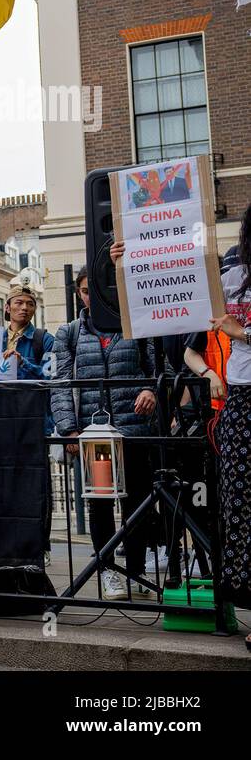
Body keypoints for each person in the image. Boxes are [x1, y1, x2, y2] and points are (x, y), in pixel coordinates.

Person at [51, 267, 162, 601]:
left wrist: (151, 390)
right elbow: (59, 383)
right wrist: (69, 429)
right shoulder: (69, 332)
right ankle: (108, 571)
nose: (92, 296)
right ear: (79, 294)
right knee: (99, 505)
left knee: (137, 503)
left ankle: (138, 570)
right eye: (85, 291)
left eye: (96, 290)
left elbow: (161, 370)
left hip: (134, 430)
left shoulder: (137, 324)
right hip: (93, 434)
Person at [208, 202, 251, 645]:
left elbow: (238, 332)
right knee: (240, 504)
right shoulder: (232, 279)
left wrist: (244, 333)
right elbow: (169, 296)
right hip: (240, 399)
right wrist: (128, 264)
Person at [0, 284, 54, 380]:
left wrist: (23, 363)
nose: (25, 307)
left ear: (35, 310)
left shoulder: (46, 340)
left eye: (30, 304)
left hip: (31, 395)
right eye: (19, 303)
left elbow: (50, 376)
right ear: (7, 308)